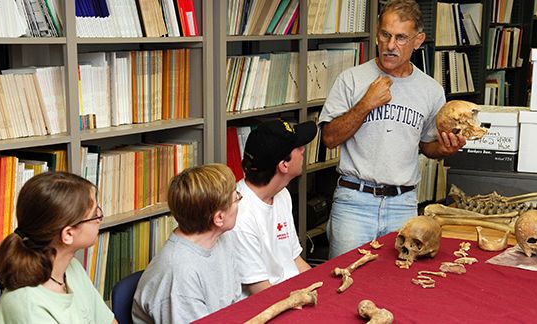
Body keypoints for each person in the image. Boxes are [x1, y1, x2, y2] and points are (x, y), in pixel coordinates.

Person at [318, 0, 466, 258]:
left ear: (418, 40)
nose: (390, 45)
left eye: (400, 38)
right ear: (377, 33)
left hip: (403, 204)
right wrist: (366, 104)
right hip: (354, 202)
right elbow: (329, 138)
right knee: (343, 281)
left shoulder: (431, 90)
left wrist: (444, 149)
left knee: (397, 286)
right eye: (385, 35)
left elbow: (427, 147)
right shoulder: (351, 79)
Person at [0, 172, 115, 323]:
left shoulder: (72, 269)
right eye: (95, 214)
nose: (100, 218)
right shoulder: (28, 307)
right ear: (68, 234)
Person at [132, 164, 242, 323]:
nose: (239, 201)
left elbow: (236, 306)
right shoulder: (178, 273)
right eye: (236, 197)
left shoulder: (223, 239)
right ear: (219, 218)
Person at [232, 118, 317, 296]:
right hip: (268, 304)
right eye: (298, 147)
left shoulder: (282, 194)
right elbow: (260, 291)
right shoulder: (240, 214)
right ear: (283, 165)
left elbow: (295, 260)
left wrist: (322, 291)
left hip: (293, 294)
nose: (303, 150)